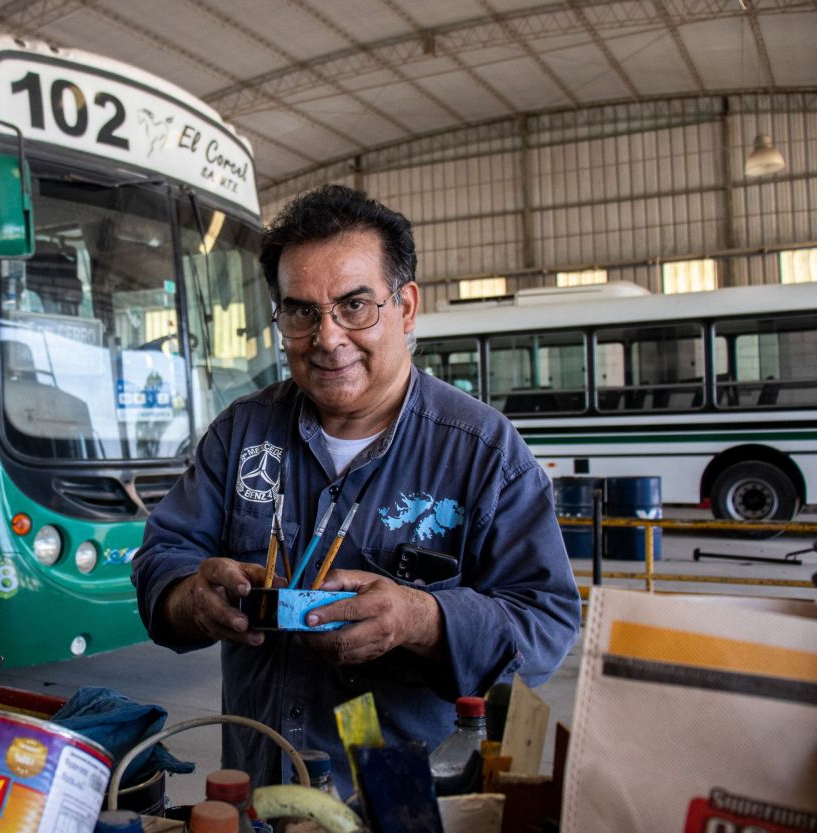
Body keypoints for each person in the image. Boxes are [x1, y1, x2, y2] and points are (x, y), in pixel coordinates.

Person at [131, 184, 580, 795]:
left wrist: (423, 619)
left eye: (355, 306)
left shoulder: (482, 452)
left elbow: (546, 624)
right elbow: (162, 562)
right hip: (258, 782)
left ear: (407, 307)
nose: (328, 337)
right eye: (301, 311)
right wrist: (195, 600)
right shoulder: (242, 434)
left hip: (400, 795)